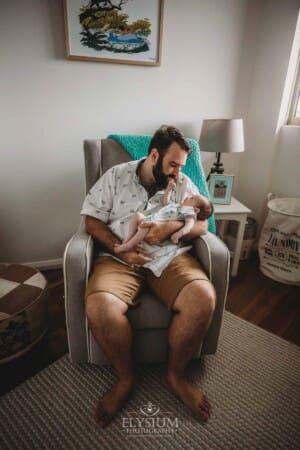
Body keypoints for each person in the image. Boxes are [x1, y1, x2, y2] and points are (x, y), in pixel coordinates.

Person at [81, 125, 216, 427]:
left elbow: (203, 226)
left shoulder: (181, 182)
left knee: (203, 298)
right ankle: (126, 378)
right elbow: (91, 220)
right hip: (121, 257)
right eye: (172, 164)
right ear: (154, 154)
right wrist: (121, 250)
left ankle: (175, 375)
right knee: (99, 306)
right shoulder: (117, 175)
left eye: (181, 166)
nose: (178, 173)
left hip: (170, 256)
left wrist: (171, 230)